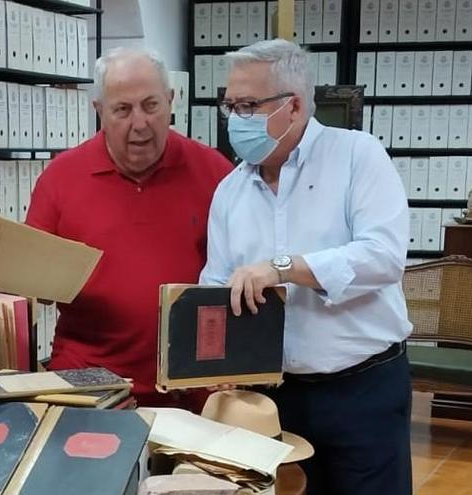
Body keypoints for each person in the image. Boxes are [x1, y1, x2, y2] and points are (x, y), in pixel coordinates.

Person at [199, 39, 412, 495]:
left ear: (293, 106)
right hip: (275, 397)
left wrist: (284, 268)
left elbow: (384, 256)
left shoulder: (358, 156)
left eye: (248, 105)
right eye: (230, 105)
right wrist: (206, 356)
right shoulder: (229, 191)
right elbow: (216, 283)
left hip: (363, 388)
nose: (236, 119)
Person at [25, 47, 234, 410]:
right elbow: (31, 287)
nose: (139, 123)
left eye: (151, 106)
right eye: (122, 110)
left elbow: (241, 278)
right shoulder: (60, 178)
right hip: (90, 390)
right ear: (99, 113)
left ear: (171, 101)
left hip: (192, 389)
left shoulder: (215, 172)